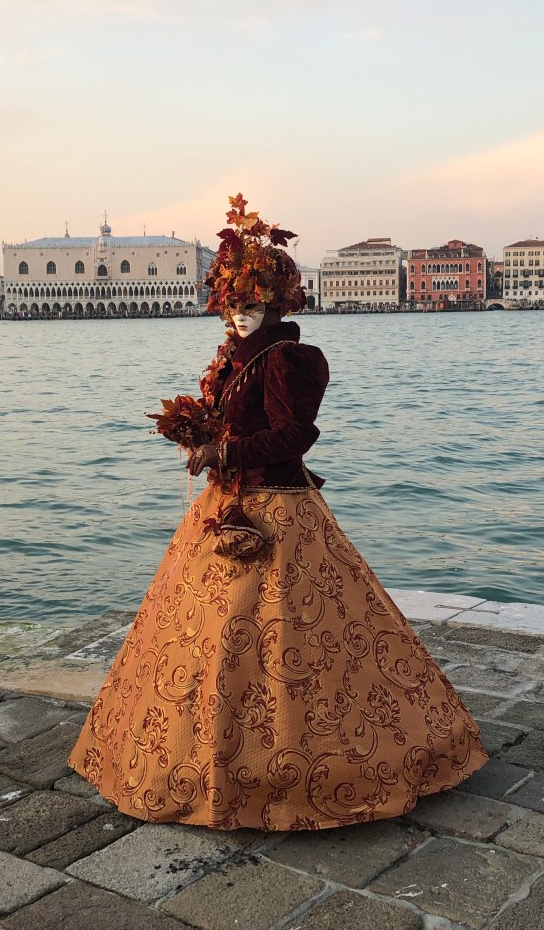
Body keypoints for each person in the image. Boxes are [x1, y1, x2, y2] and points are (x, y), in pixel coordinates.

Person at [68, 194, 487, 831]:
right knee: (208, 639)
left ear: (276, 302)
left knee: (282, 634)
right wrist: (203, 439)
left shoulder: (289, 358)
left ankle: (305, 766)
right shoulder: (232, 359)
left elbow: (295, 437)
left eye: (252, 303)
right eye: (232, 303)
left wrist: (224, 450)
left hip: (280, 512)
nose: (240, 314)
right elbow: (235, 422)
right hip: (227, 504)